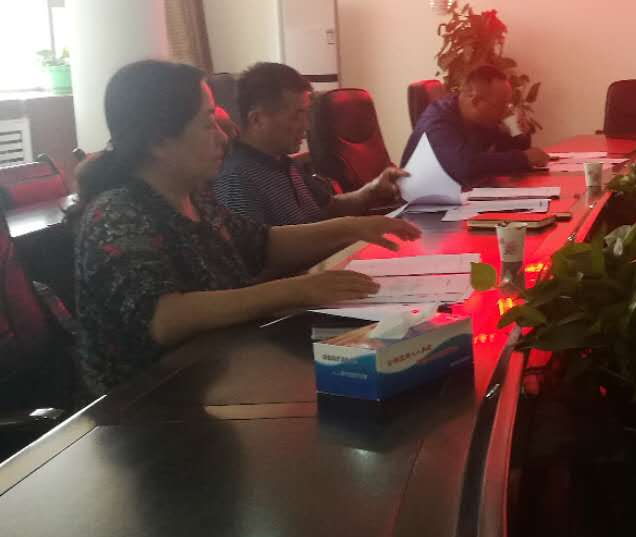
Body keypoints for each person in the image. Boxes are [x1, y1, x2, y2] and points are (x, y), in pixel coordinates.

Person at [73, 60, 422, 399]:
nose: (224, 136)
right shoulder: (116, 215)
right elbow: (164, 318)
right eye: (208, 123)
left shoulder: (195, 199)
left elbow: (263, 243)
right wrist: (296, 290)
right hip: (148, 408)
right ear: (159, 141)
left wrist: (352, 227)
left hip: (217, 378)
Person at [214, 62, 406, 225]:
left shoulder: (282, 162)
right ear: (257, 119)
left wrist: (373, 190)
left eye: (306, 114)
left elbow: (330, 207)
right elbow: (259, 255)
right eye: (297, 115)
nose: (306, 126)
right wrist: (350, 231)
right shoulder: (237, 182)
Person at [401, 64, 550, 185]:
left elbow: (506, 150)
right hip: (422, 206)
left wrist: (517, 131)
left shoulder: (478, 119)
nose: (505, 112)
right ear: (476, 101)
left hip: (460, 198)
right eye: (502, 105)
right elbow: (464, 166)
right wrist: (523, 158)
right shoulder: (437, 122)